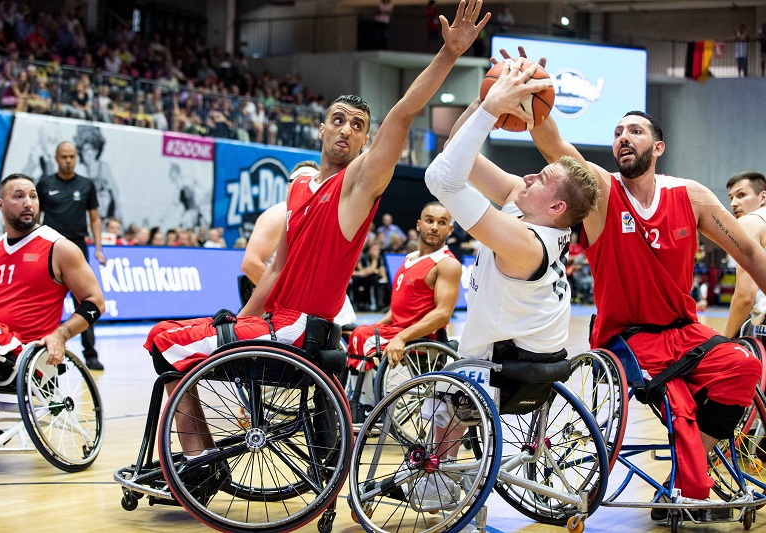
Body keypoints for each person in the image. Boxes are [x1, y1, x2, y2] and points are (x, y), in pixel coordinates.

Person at [143, 0, 490, 459]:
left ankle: (198, 463)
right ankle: (200, 459)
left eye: (359, 126)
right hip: (272, 324)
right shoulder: (302, 185)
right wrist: (244, 316)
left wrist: (447, 55)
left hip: (302, 330)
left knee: (166, 344)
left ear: (368, 141)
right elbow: (275, 268)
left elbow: (404, 113)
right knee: (165, 334)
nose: (347, 130)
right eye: (339, 121)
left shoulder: (358, 187)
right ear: (322, 129)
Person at [516, 44, 766, 512]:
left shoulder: (689, 195)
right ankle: (688, 482)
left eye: (635, 131)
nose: (623, 138)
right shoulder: (603, 191)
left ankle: (691, 466)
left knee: (745, 366)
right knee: (677, 401)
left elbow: (749, 251)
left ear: (658, 146)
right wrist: (534, 99)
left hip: (685, 333)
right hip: (627, 339)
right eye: (617, 132)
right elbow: (557, 148)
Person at [419, 57, 599, 507]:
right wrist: (484, 101)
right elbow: (454, 153)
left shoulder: (526, 243)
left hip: (507, 366)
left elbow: (440, 178)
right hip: (528, 355)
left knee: (444, 394)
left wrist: (488, 111)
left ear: (556, 208)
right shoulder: (528, 205)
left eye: (544, 178)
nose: (530, 175)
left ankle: (438, 484)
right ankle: (445, 472)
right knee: (458, 372)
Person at [0, 173, 104, 440]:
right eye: (18, 196)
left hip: (27, 354)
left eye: (33, 196)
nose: (28, 202)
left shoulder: (59, 247)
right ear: (0, 205)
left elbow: (95, 303)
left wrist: (61, 334)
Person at [346, 202, 461, 421]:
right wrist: (376, 326)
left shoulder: (446, 264)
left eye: (442, 222)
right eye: (429, 221)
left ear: (450, 230)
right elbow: (397, 310)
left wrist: (401, 337)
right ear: (419, 225)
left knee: (363, 337)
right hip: (399, 331)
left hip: (421, 338)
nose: (435, 227)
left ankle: (366, 408)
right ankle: (356, 401)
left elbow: (443, 314)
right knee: (355, 332)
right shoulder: (410, 259)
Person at [240, 160, 357, 323]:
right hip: (296, 312)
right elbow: (250, 264)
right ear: (289, 186)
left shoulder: (319, 214)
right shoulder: (278, 214)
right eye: (299, 180)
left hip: (326, 310)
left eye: (311, 181)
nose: (305, 186)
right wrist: (286, 302)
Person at [36, 142, 106, 371]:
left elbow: (94, 218)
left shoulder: (86, 185)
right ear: (56, 158)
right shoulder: (45, 184)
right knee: (45, 302)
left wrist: (98, 248)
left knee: (85, 301)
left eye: (72, 156)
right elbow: (36, 218)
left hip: (77, 247)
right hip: (50, 247)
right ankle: (43, 352)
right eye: (64, 156)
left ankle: (91, 355)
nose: (69, 160)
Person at [724, 171, 766, 338]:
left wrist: (724, 339)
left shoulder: (749, 222)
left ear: (763, 197)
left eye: (741, 195)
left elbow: (745, 295)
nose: (734, 203)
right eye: (731, 198)